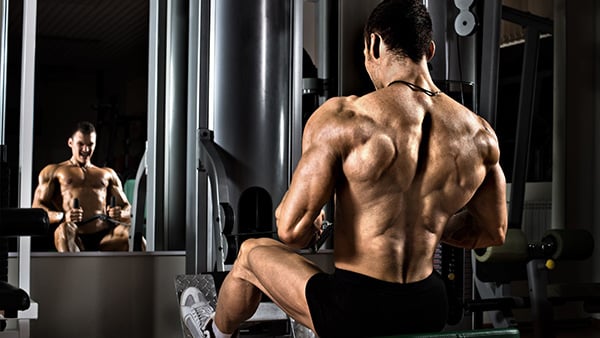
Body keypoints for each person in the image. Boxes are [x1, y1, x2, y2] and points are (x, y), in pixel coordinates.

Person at [180, 0, 508, 337]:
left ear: (375, 44)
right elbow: (492, 231)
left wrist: (314, 223)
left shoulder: (345, 118)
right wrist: (427, 223)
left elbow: (291, 231)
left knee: (250, 254)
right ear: (430, 49)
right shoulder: (479, 133)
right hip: (430, 305)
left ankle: (212, 332)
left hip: (357, 310)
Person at [32, 121, 132, 252]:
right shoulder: (54, 171)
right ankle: (74, 272)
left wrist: (120, 213)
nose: (86, 149)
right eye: (81, 144)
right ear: (70, 143)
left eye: (90, 145)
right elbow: (37, 208)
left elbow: (128, 208)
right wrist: (62, 216)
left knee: (132, 235)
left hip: (104, 238)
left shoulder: (107, 174)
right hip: (74, 236)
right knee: (64, 230)